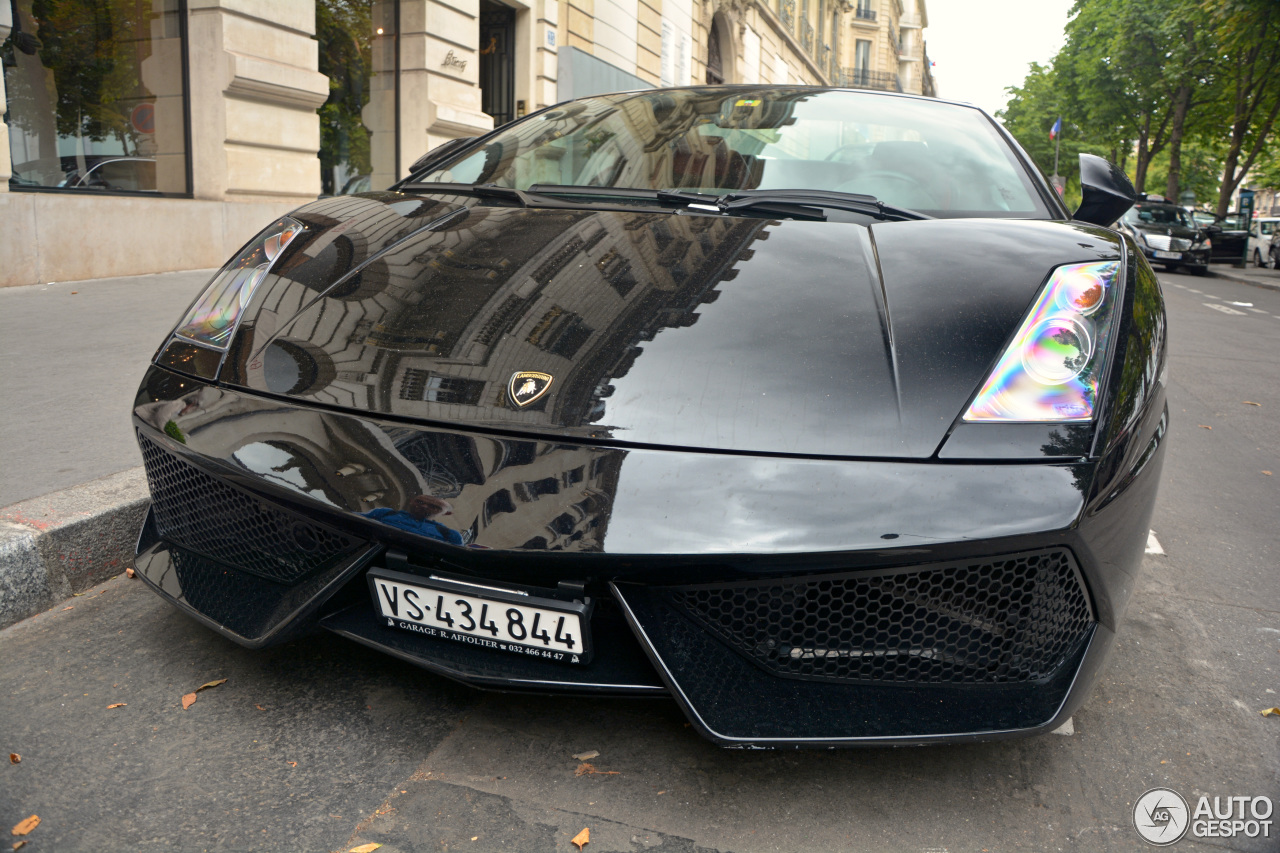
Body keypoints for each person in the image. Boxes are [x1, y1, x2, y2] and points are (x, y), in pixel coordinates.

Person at [364, 495, 464, 545]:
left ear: (446, 513)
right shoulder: (385, 513)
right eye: (419, 502)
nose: (424, 506)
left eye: (433, 506)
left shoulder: (449, 534)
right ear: (411, 501)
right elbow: (354, 519)